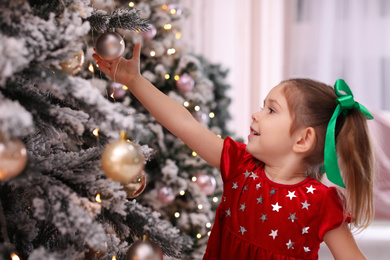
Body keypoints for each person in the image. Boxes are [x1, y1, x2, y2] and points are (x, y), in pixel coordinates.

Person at [93, 43, 375, 260]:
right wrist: (134, 81)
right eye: (262, 106)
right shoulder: (240, 165)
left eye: (271, 110)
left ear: (303, 140)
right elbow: (184, 124)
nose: (256, 115)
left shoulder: (321, 202)